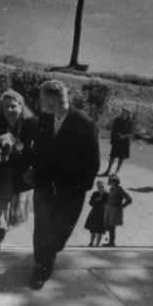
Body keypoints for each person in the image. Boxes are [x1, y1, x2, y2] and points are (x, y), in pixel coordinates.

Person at [30, 80, 100, 290]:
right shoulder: (44, 118)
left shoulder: (85, 123)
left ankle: (49, 254)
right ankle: (41, 269)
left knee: (58, 235)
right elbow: (38, 149)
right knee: (42, 229)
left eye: (42, 99)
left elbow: (93, 163)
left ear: (52, 99)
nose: (40, 103)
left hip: (70, 193)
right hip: (44, 187)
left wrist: (77, 190)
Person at [0, 89, 37, 252]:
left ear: (21, 107)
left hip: (18, 176)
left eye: (13, 106)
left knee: (7, 214)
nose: (9, 110)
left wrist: (17, 147)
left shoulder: (31, 124)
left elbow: (35, 152)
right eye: (6, 107)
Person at [101, 109, 133, 175]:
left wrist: (124, 135)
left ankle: (117, 171)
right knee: (112, 155)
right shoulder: (117, 119)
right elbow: (113, 128)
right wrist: (117, 134)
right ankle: (108, 170)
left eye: (128, 112)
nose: (126, 113)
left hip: (124, 141)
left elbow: (131, 132)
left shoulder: (130, 122)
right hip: (116, 140)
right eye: (125, 112)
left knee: (121, 157)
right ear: (123, 112)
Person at [103, 174, 132, 247]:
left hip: (115, 210)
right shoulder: (111, 188)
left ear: (117, 182)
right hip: (109, 209)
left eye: (115, 181)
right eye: (112, 181)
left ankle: (111, 243)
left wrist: (122, 206)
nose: (113, 183)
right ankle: (110, 242)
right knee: (108, 226)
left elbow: (129, 199)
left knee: (112, 227)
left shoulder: (119, 190)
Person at [84, 180, 108, 247]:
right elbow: (90, 203)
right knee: (93, 229)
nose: (101, 188)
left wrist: (104, 205)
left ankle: (97, 243)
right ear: (97, 187)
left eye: (102, 186)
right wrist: (95, 201)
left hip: (102, 213)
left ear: (104, 186)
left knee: (100, 229)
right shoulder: (95, 193)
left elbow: (108, 203)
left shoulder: (106, 194)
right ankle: (91, 242)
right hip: (95, 212)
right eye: (99, 186)